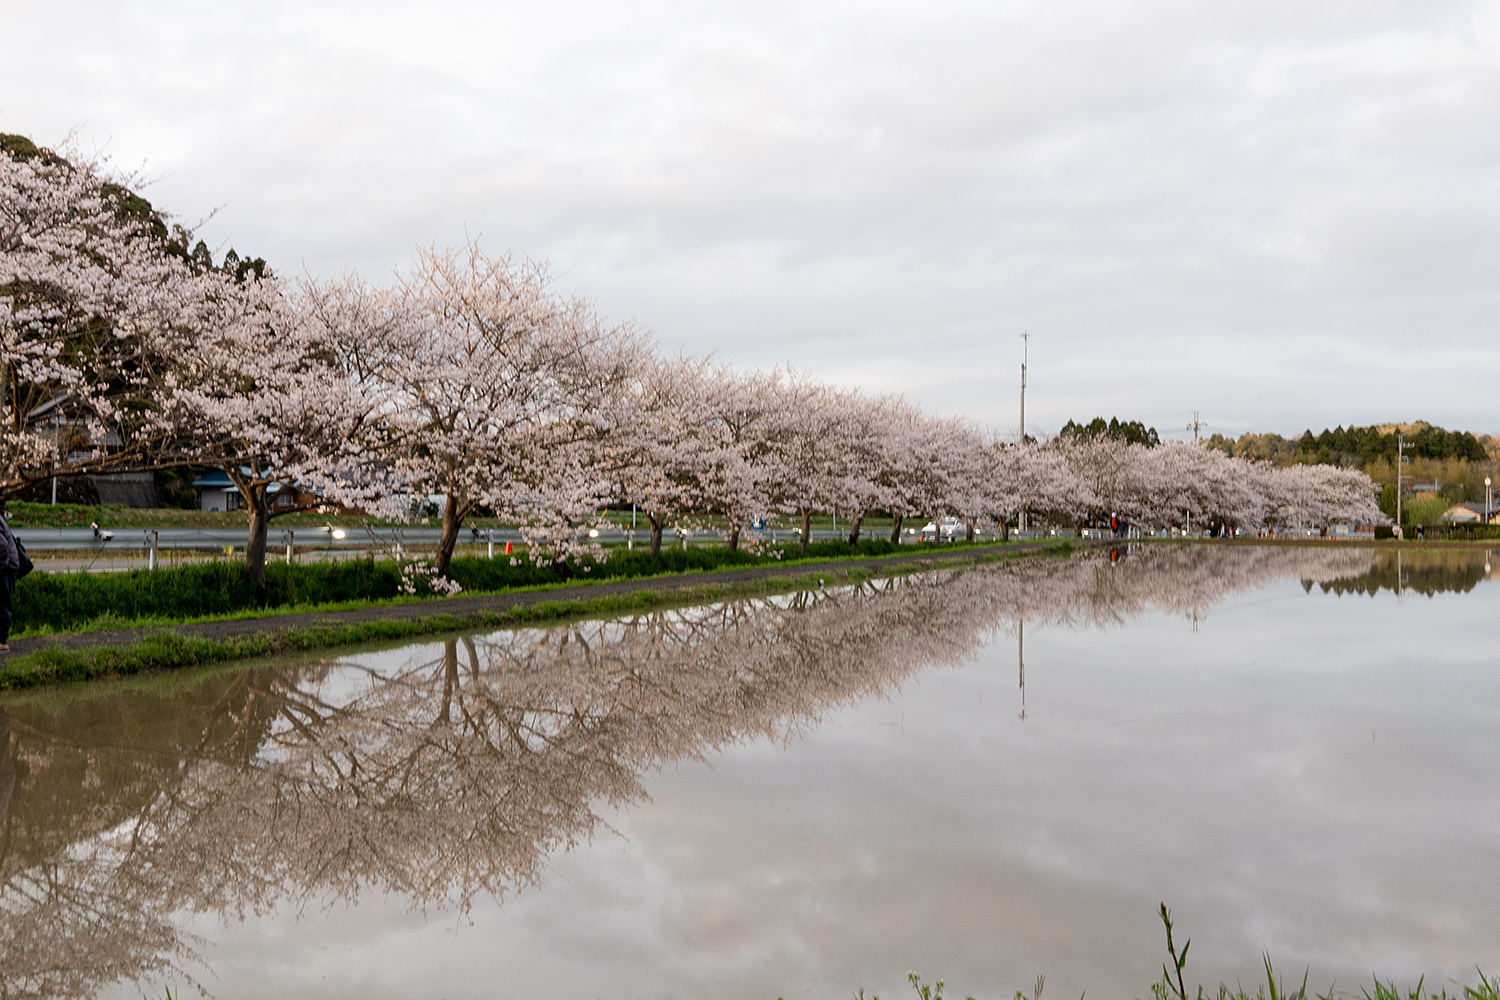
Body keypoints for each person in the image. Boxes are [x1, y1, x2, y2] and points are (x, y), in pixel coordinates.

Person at [0, 511, 17, 653]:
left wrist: (1, 567)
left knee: (3, 602)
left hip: (7, 566)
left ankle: (2, 642)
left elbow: (2, 546)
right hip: (5, 563)